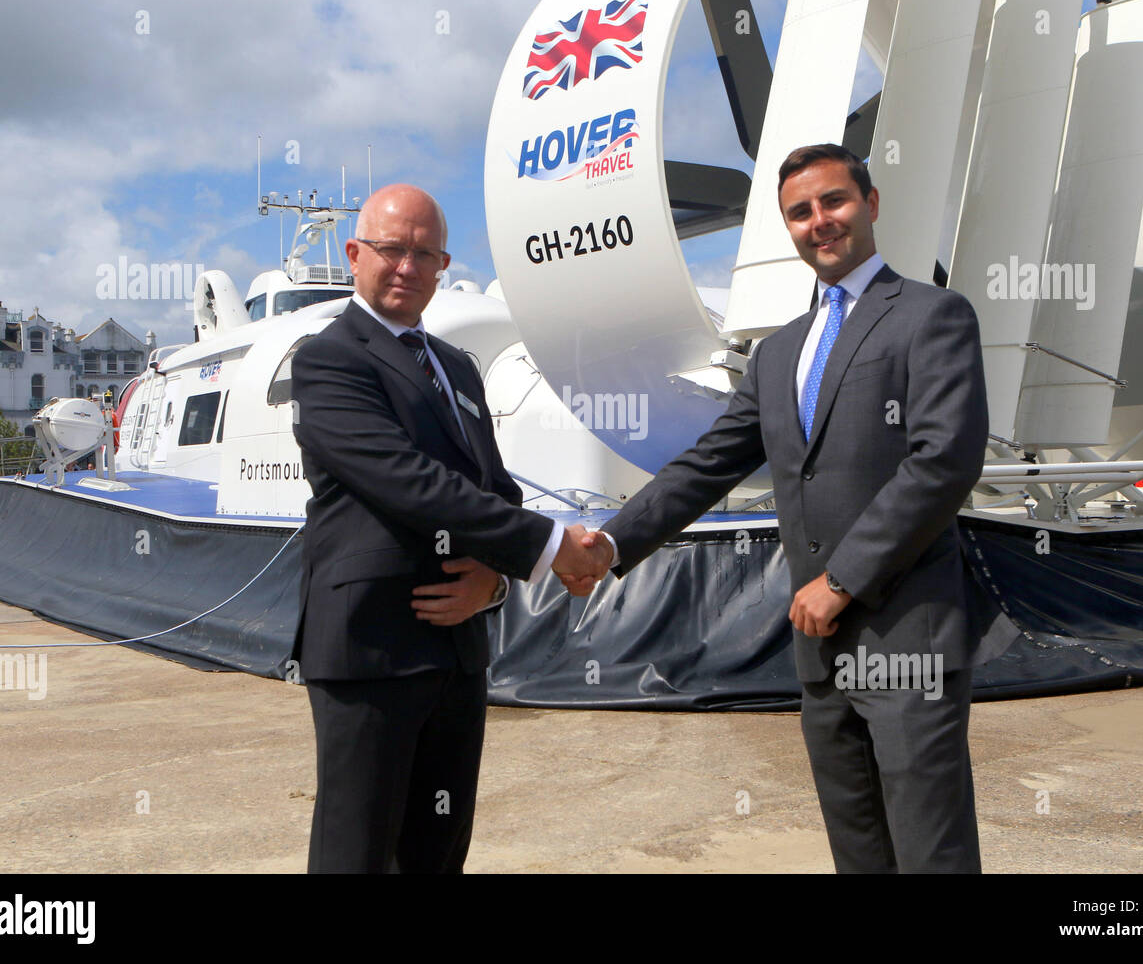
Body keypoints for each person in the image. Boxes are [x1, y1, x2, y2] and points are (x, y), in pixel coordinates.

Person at [571, 144, 1017, 873]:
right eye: (800, 212)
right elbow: (708, 463)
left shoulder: (932, 316)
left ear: (870, 205)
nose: (820, 222)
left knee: (929, 851)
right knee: (858, 853)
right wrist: (612, 546)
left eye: (834, 202)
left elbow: (943, 462)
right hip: (819, 652)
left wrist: (842, 580)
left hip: (905, 639)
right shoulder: (779, 353)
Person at [290, 182, 603, 873]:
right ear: (354, 254)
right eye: (391, 249)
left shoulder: (458, 367)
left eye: (424, 254)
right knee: (356, 854)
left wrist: (493, 581)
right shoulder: (328, 360)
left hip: (457, 654)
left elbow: (495, 487)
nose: (407, 266)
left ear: (443, 265)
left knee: (437, 853)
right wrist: (550, 547)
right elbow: (405, 480)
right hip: (370, 651)